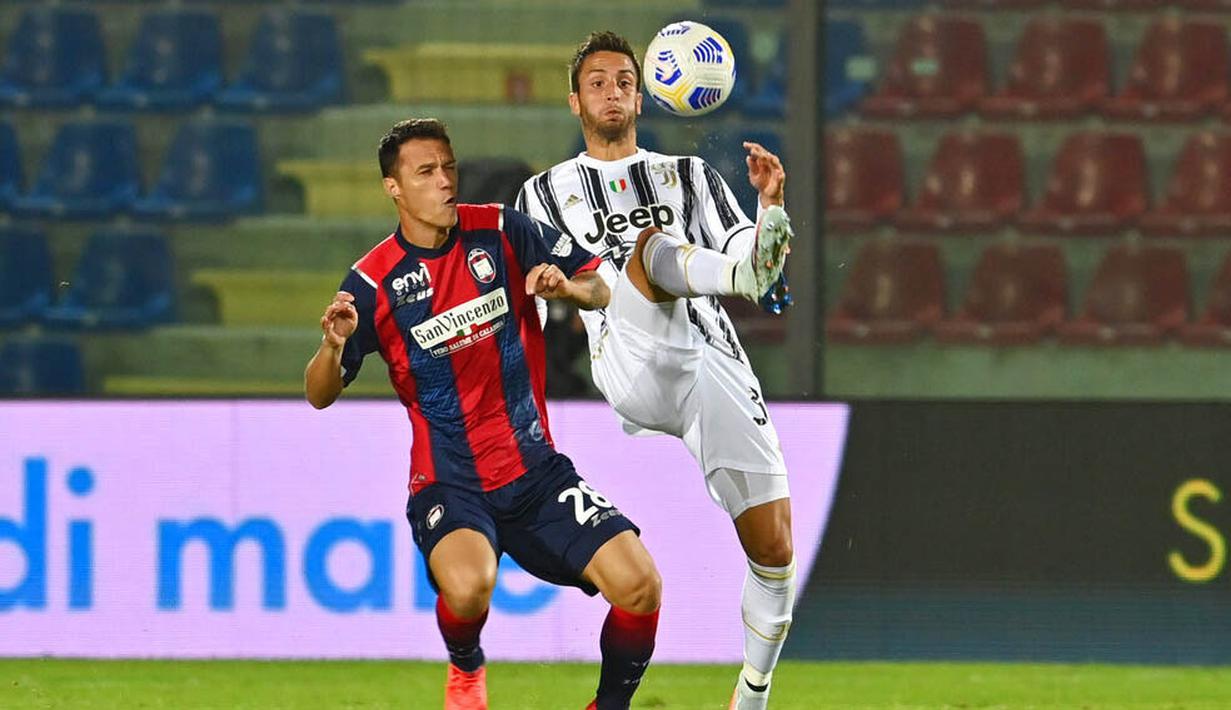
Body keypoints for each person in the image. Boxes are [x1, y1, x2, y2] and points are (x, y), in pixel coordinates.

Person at [305, 118, 662, 710]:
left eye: (448, 166)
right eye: (426, 172)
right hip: (451, 480)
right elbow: (319, 394)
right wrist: (334, 346)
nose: (445, 180)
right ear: (393, 189)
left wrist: (568, 290)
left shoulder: (500, 229)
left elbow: (600, 284)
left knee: (642, 586)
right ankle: (467, 665)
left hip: (537, 472)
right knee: (470, 589)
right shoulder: (371, 283)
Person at [516, 32, 796, 710]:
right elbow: (552, 293)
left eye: (622, 81)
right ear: (574, 100)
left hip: (711, 358)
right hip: (627, 353)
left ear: (642, 95)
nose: (612, 92)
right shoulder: (542, 194)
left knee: (775, 549)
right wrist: (554, 291)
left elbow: (749, 249)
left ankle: (752, 693)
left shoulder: (691, 176)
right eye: (597, 82)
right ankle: (737, 280)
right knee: (647, 251)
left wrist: (769, 212)